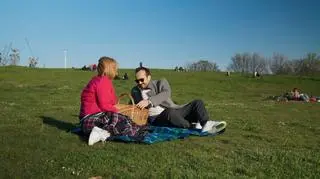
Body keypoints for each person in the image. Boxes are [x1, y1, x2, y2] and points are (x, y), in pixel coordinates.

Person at [131, 66, 227, 134]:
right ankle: (192, 126)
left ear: (149, 77)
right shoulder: (135, 91)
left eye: (142, 80)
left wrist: (149, 101)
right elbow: (131, 104)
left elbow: (166, 93)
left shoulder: (160, 83)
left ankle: (205, 123)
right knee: (170, 113)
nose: (139, 82)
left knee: (197, 102)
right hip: (156, 118)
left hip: (173, 110)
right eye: (137, 80)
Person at [79, 57, 148, 146]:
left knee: (119, 119)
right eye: (115, 69)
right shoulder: (103, 81)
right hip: (93, 120)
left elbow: (110, 100)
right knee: (124, 120)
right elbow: (105, 105)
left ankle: (101, 133)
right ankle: (103, 132)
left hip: (85, 123)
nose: (116, 72)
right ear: (109, 69)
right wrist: (118, 111)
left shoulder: (96, 80)